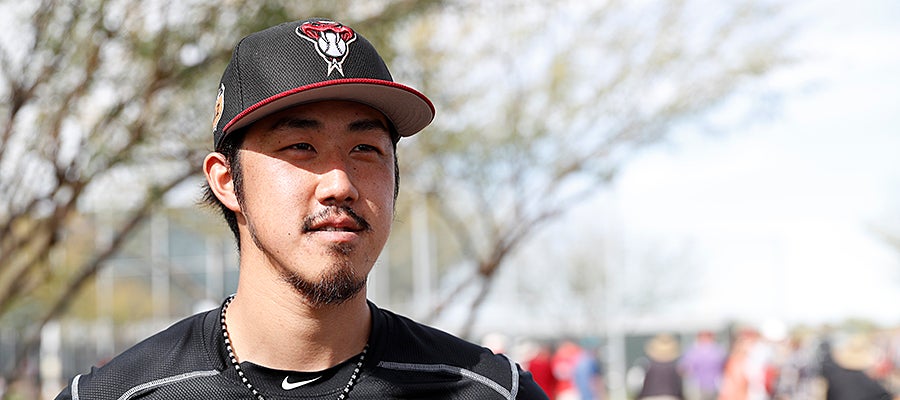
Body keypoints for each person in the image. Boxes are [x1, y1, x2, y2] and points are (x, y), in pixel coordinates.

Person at [55, 18, 548, 400]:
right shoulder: (120, 394)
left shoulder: (488, 390)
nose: (339, 184)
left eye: (365, 150)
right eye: (300, 147)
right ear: (226, 181)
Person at [679, 331, 726, 400]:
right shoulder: (719, 351)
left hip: (709, 387)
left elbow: (683, 369)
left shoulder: (693, 351)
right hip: (702, 387)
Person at [637, 333, 684, 400]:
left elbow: (641, 385)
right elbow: (678, 386)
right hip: (670, 396)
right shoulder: (674, 367)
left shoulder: (648, 365)